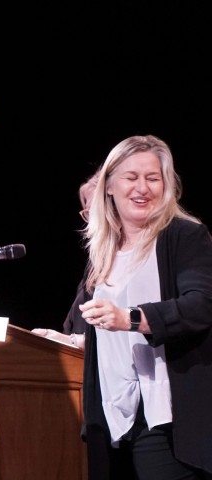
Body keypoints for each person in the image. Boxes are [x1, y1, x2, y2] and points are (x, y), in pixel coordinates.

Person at [74, 134, 212, 479]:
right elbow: (105, 337)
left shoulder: (184, 237)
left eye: (153, 178)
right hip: (115, 418)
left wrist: (131, 319)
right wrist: (74, 341)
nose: (143, 188)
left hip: (168, 415)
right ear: (108, 186)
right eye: (131, 177)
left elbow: (201, 306)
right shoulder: (103, 253)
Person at [31, 170, 100, 349]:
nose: (93, 221)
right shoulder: (94, 267)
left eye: (99, 210)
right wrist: (55, 338)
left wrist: (70, 341)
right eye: (89, 213)